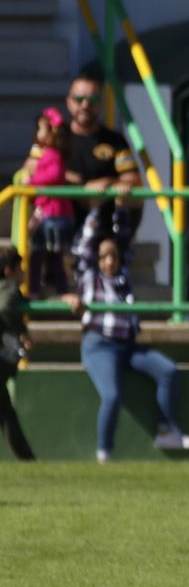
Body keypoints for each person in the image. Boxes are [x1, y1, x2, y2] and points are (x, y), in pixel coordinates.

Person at [68, 236, 189, 463]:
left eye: (113, 256)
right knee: (112, 395)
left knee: (168, 371)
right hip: (100, 345)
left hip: (127, 345)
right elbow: (85, 247)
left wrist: (122, 205)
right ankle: (104, 452)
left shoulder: (123, 280)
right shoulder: (90, 278)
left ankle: (166, 429)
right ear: (96, 259)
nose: (109, 261)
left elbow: (124, 230)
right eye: (104, 256)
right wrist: (97, 207)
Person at [20, 107, 78, 297]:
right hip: (47, 212)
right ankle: (41, 288)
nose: (37, 134)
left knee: (48, 256)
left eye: (41, 129)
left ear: (51, 134)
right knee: (43, 255)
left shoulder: (52, 155)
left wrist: (31, 180)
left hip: (53, 215)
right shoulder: (46, 154)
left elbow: (54, 175)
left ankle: (51, 290)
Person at [0, 246, 35, 460]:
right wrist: (19, 334)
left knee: (7, 414)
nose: (22, 273)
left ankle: (29, 461)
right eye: (19, 268)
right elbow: (4, 309)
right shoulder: (9, 289)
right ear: (8, 271)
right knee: (6, 414)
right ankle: (29, 461)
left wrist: (21, 331)